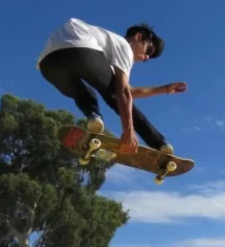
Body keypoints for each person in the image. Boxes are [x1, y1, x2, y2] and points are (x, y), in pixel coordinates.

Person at [37, 18, 187, 155]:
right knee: (116, 94)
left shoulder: (106, 48)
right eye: (148, 50)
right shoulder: (124, 46)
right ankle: (159, 143)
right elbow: (122, 92)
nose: (146, 57)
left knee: (82, 92)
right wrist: (128, 131)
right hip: (82, 50)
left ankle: (94, 117)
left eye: (149, 58)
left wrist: (165, 89)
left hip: (48, 63)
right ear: (138, 37)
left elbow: (128, 91)